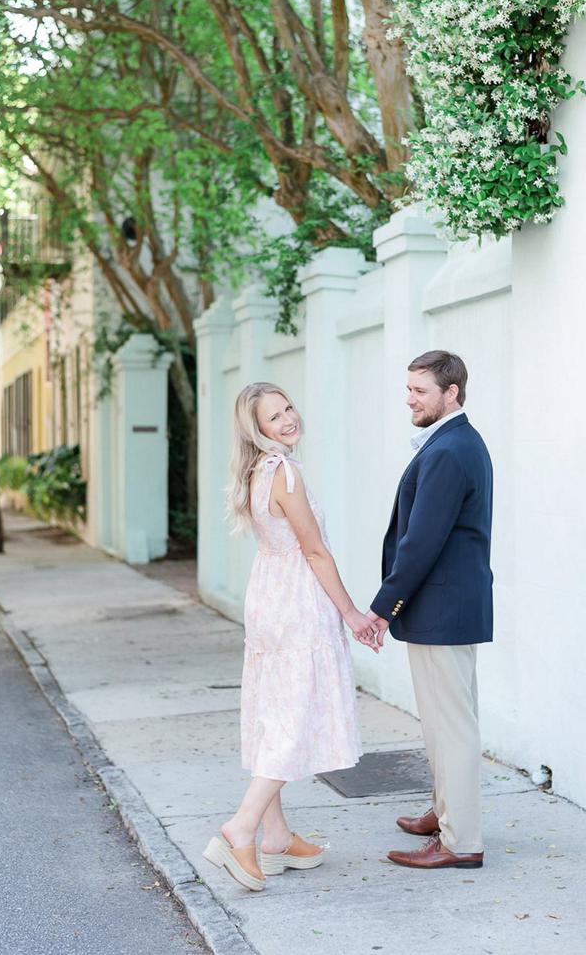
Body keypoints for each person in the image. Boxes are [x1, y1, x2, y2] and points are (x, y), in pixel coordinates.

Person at [203, 382, 378, 892]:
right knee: (294, 717)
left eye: (288, 409)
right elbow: (315, 550)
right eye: (273, 417)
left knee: (273, 713)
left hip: (270, 598)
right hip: (298, 602)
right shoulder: (285, 472)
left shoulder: (256, 472)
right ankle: (242, 826)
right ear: (257, 430)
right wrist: (351, 613)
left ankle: (276, 838)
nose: (287, 420)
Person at [367, 351, 493, 870]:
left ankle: (460, 841)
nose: (410, 398)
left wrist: (383, 606)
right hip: (448, 606)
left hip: (441, 607)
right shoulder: (457, 442)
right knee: (446, 722)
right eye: (410, 388)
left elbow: (420, 542)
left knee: (451, 727)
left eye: (420, 390)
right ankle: (446, 814)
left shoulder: (447, 450)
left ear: (452, 393)